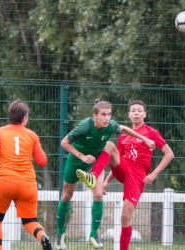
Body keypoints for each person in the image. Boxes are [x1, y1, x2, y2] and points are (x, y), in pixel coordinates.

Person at [55, 100, 155, 250]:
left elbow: (124, 128)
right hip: (76, 160)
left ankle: (93, 234)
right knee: (66, 195)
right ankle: (60, 235)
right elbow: (64, 142)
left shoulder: (110, 126)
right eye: (103, 114)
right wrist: (81, 156)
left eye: (109, 114)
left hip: (95, 162)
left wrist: (144, 139)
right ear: (95, 116)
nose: (107, 118)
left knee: (98, 195)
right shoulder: (85, 126)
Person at [77, 100, 174, 250]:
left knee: (125, 217)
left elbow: (169, 154)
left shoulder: (151, 133)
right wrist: (105, 183)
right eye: (133, 110)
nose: (136, 112)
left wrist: (154, 174)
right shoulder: (123, 137)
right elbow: (116, 160)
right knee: (109, 145)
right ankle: (93, 175)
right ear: (129, 115)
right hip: (123, 169)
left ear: (145, 114)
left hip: (137, 176)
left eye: (139, 110)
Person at [0, 99, 52, 250]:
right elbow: (42, 161)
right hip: (28, 184)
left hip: (6, 182)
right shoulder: (32, 135)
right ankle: (42, 236)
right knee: (29, 221)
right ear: (24, 118)